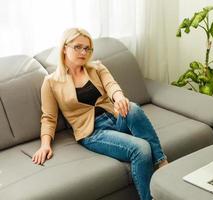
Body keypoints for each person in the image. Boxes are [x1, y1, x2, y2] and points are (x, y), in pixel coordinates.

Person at [32, 27, 168, 200]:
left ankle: (162, 162)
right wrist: (45, 144)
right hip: (94, 132)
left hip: (115, 119)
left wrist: (119, 98)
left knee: (132, 107)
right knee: (141, 148)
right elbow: (49, 118)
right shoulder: (51, 82)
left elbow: (112, 85)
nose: (83, 52)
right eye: (78, 47)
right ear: (65, 47)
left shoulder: (96, 67)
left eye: (87, 48)